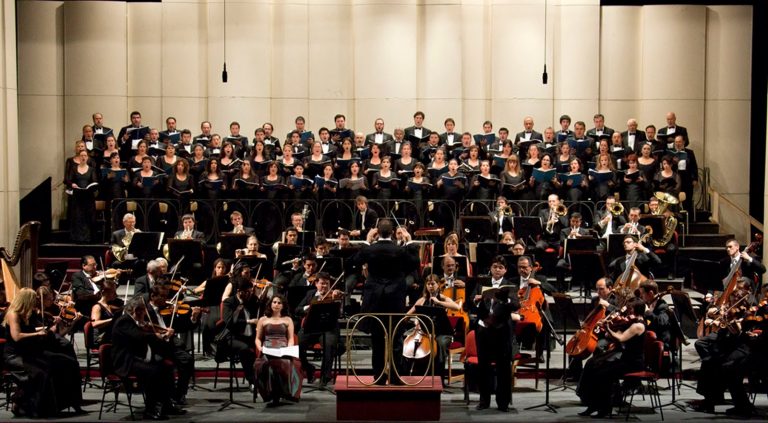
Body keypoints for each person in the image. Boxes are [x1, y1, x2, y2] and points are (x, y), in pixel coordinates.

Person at [352, 219, 420, 385]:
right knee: (396, 338)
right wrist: (409, 240)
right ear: (392, 232)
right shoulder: (400, 250)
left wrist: (366, 241)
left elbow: (354, 262)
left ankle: (379, 377)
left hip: (375, 299)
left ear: (376, 232)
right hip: (394, 299)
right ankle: (396, 377)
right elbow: (415, 263)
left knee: (377, 340)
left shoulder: (370, 249)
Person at [2, 288, 84, 417]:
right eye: (34, 299)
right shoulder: (13, 314)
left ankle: (71, 402)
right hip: (15, 356)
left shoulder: (27, 313)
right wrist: (37, 333)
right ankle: (28, 404)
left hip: (29, 352)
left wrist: (48, 327)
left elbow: (32, 329)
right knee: (43, 371)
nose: (36, 302)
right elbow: (17, 336)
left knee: (69, 363)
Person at [111, 296, 184, 420]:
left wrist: (162, 335)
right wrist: (158, 335)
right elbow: (139, 336)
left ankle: (166, 404)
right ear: (136, 310)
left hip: (136, 358)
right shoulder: (124, 321)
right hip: (126, 361)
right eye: (143, 311)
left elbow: (143, 335)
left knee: (166, 367)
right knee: (154, 371)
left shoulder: (134, 322)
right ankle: (151, 409)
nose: (145, 314)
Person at [576, 299, 646, 418]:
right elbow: (617, 335)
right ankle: (594, 404)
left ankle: (604, 409)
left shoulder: (638, 326)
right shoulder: (631, 323)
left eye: (630, 309)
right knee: (595, 367)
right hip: (626, 359)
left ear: (637, 310)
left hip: (633, 363)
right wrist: (608, 328)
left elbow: (621, 338)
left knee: (603, 374)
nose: (628, 311)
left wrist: (608, 327)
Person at [474, 280, 521, 411]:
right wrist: (476, 301)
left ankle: (503, 403)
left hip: (502, 332)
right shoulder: (481, 284)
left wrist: (506, 300)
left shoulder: (510, 286)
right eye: (495, 267)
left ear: (504, 269)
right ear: (491, 268)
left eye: (501, 267)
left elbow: (516, 305)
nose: (497, 269)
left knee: (503, 368)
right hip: (484, 330)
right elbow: (470, 305)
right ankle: (484, 401)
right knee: (483, 367)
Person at [406, 274, 460, 383]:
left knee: (439, 344)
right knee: (409, 343)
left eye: (433, 283)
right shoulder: (421, 300)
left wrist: (439, 302)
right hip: (425, 333)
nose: (430, 286)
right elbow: (408, 315)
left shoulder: (443, 298)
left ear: (438, 285)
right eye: (428, 284)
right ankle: (413, 375)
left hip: (443, 333)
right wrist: (414, 320)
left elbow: (457, 307)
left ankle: (438, 378)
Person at [295, 272, 344, 386]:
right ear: (316, 283)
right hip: (311, 328)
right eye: (322, 284)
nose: (325, 287)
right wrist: (309, 307)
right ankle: (309, 368)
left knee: (329, 345)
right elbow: (297, 310)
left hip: (328, 328)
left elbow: (339, 314)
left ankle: (325, 377)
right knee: (297, 345)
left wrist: (338, 300)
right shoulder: (310, 294)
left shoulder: (333, 295)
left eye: (327, 284)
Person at [254, 294, 303, 405]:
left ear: (283, 306)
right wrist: (260, 348)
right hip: (268, 348)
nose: (276, 305)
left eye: (279, 303)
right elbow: (257, 339)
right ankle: (271, 394)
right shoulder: (263, 319)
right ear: (270, 304)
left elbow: (290, 338)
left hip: (283, 348)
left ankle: (285, 393)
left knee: (288, 363)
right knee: (265, 365)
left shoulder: (287, 320)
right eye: (274, 302)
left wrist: (289, 349)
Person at [217, 277, 259, 390]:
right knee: (245, 349)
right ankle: (253, 381)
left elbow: (262, 310)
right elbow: (229, 322)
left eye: (251, 292)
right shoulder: (229, 303)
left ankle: (266, 381)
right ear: (240, 292)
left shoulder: (252, 300)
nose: (250, 294)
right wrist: (248, 321)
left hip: (250, 336)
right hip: (232, 337)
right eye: (247, 292)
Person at [65, 149, 99, 243]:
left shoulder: (91, 169)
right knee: (78, 216)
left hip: (88, 196)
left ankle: (89, 238)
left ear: (87, 158)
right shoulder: (74, 168)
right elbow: (69, 180)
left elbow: (95, 181)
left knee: (88, 216)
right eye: (82, 156)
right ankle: (77, 238)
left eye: (85, 156)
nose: (83, 157)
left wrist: (91, 187)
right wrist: (72, 184)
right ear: (79, 158)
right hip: (77, 195)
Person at [90, 279, 123, 345]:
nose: (115, 294)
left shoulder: (110, 305)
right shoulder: (97, 307)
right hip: (100, 337)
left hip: (109, 334)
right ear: (104, 292)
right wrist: (112, 320)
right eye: (113, 292)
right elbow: (95, 324)